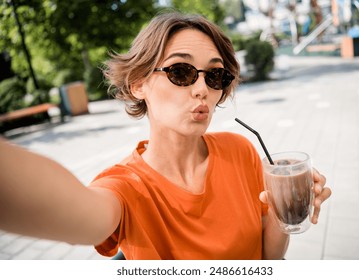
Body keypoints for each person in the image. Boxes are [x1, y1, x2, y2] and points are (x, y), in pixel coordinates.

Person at [0, 11, 331, 260]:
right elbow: (79, 214)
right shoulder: (127, 187)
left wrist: (281, 210)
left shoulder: (240, 150)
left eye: (215, 75)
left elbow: (268, 260)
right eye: (181, 71)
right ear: (138, 84)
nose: (202, 88)